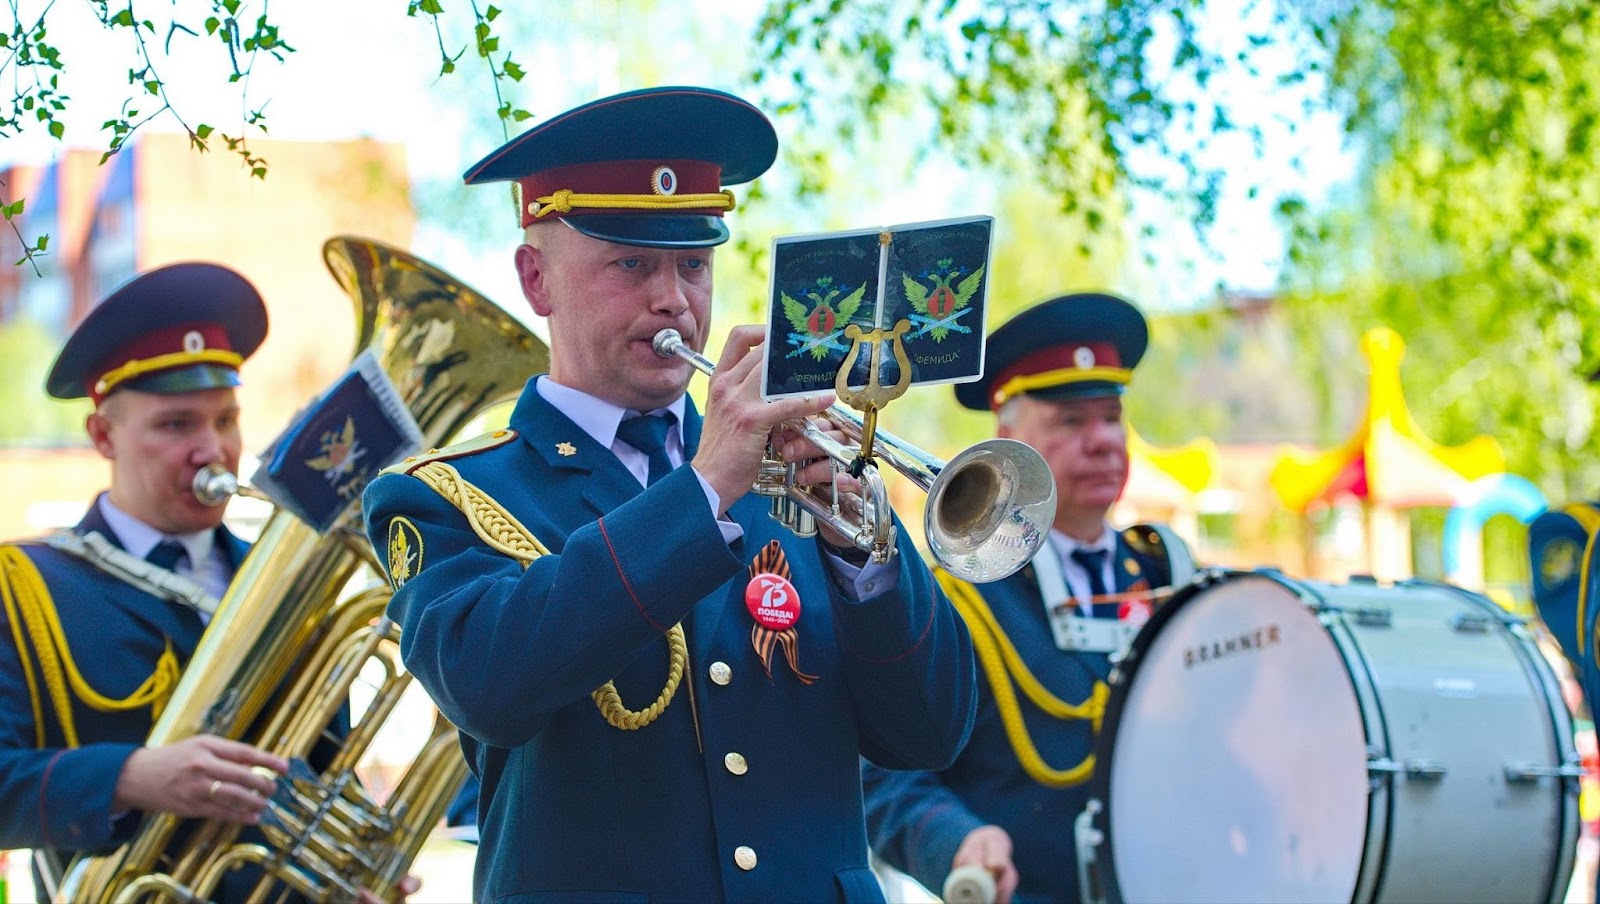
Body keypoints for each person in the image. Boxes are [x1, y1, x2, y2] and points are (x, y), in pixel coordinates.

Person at [361, 85, 978, 902]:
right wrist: (706, 485)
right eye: (630, 264)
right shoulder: (449, 495)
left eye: (693, 264)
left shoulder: (796, 467)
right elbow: (489, 688)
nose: (673, 299)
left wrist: (865, 553)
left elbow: (929, 733)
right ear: (536, 278)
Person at [0, 264, 416, 904]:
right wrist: (129, 777)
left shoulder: (284, 578)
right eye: (176, 425)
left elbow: (325, 772)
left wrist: (356, 866)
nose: (212, 449)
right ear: (103, 435)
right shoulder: (23, 586)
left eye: (225, 420)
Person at [861, 292, 1187, 904]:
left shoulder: (1168, 574)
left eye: (1111, 417)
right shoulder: (960, 597)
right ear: (1008, 435)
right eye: (1070, 421)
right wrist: (955, 841)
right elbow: (886, 774)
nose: (1102, 441)